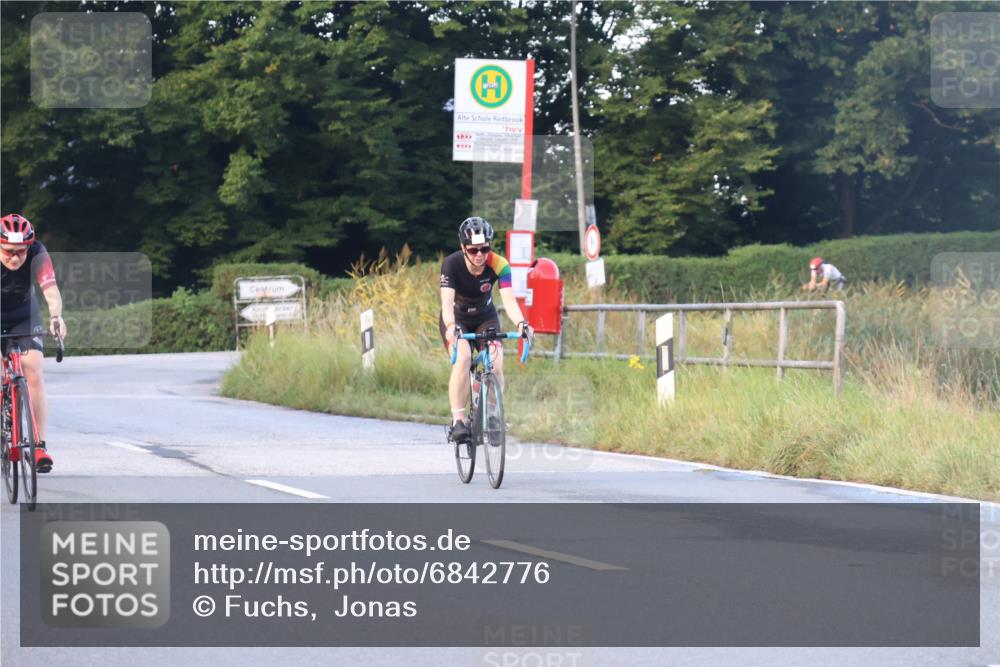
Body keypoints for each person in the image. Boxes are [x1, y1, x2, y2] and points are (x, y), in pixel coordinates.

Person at [439, 217, 532, 444]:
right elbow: (446, 305)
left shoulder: (500, 264)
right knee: (463, 358)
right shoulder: (451, 264)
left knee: (497, 362)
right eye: (473, 250)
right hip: (457, 319)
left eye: (485, 249)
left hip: (485, 317)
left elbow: (509, 301)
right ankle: (458, 420)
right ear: (463, 248)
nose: (480, 254)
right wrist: (451, 328)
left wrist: (522, 324)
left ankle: (491, 414)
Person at [0, 213, 66, 473]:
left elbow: (50, 291)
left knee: (34, 371)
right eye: (8, 252)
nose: (15, 257)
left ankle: (38, 446)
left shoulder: (38, 252)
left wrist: (56, 317)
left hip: (24, 316)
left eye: (20, 252)